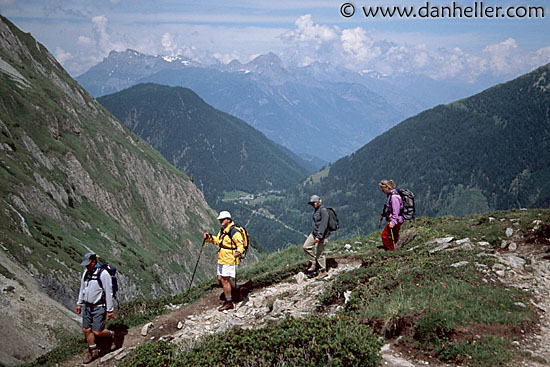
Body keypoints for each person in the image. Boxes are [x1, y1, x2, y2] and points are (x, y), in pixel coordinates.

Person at [76, 252, 115, 364]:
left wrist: (110, 310)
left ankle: (112, 335)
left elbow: (108, 292)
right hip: (87, 306)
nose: (87, 266)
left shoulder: (103, 274)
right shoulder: (86, 273)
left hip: (99, 306)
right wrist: (79, 303)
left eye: (88, 264)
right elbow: (82, 289)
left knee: (97, 332)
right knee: (86, 329)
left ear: (94, 262)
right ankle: (93, 351)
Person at [203, 211, 245, 311]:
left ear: (228, 220)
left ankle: (229, 302)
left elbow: (241, 244)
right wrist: (210, 238)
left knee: (225, 280)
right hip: (222, 258)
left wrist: (238, 252)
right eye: (220, 219)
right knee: (220, 278)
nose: (221, 221)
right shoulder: (224, 230)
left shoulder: (234, 231)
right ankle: (237, 289)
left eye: (223, 219)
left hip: (230, 258)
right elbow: (218, 241)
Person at [303, 194, 330, 279]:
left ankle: (323, 271)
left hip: (322, 235)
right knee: (306, 247)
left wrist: (319, 236)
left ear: (319, 202)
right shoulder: (316, 209)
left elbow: (323, 224)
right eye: (312, 203)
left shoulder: (323, 210)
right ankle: (314, 263)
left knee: (319, 253)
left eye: (314, 203)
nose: (313, 205)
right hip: (314, 234)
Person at [379, 180, 404, 251]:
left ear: (387, 188)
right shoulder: (391, 195)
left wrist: (393, 222)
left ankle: (389, 250)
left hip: (396, 220)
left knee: (385, 235)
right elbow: (392, 210)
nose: (382, 191)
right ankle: (394, 248)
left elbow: (396, 212)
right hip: (398, 219)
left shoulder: (394, 197)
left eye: (382, 189)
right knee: (394, 234)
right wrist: (386, 214)